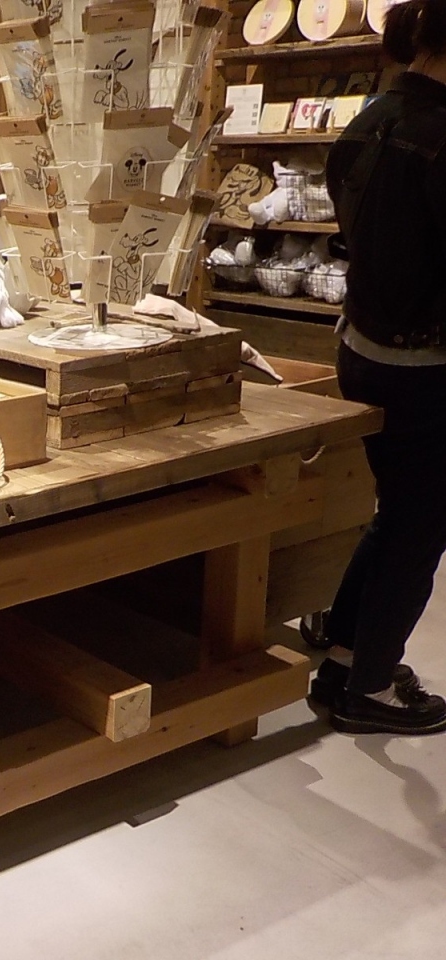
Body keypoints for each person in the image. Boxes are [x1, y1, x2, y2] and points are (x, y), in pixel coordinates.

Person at [318, 0, 446, 734]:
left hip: (362, 346)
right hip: (424, 363)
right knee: (419, 527)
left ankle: (343, 661)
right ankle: (367, 688)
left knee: (396, 516)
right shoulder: (441, 135)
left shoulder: (368, 119)